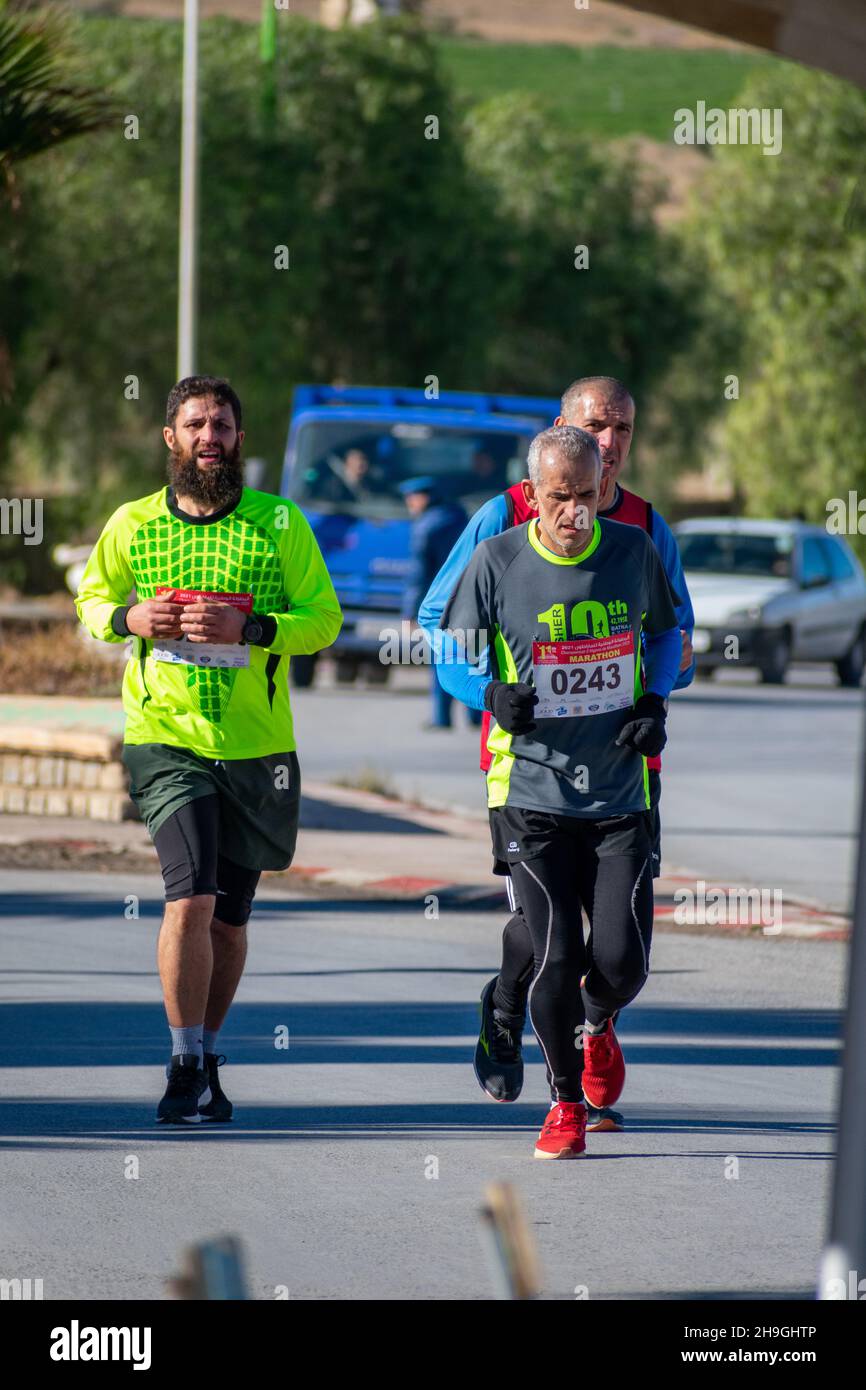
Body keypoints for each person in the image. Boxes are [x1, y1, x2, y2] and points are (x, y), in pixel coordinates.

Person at [420, 376, 694, 1127]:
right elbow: (440, 623)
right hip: (527, 767)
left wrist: (652, 698)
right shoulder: (502, 520)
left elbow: (680, 635)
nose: (608, 445)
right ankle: (513, 1015)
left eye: (622, 431)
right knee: (552, 935)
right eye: (595, 426)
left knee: (614, 941)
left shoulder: (643, 530)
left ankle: (595, 1021)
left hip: (626, 763)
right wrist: (487, 690)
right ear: (560, 433)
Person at [75, 375, 342, 1124]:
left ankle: (210, 1055)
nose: (209, 437)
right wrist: (132, 616)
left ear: (238, 438)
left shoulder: (278, 524)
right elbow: (91, 602)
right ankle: (183, 1058)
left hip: (256, 748)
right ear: (171, 438)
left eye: (222, 424)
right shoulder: (133, 524)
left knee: (229, 920)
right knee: (188, 897)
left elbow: (322, 620)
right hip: (166, 741)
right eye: (195, 424)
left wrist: (253, 630)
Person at [399, 476, 477, 729]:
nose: (409, 503)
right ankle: (476, 715)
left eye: (412, 498)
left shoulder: (426, 527)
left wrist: (410, 613)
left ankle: (442, 718)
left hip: (441, 604)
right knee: (474, 657)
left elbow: (419, 575)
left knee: (443, 658)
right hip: (473, 599)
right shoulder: (461, 517)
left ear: (425, 497)